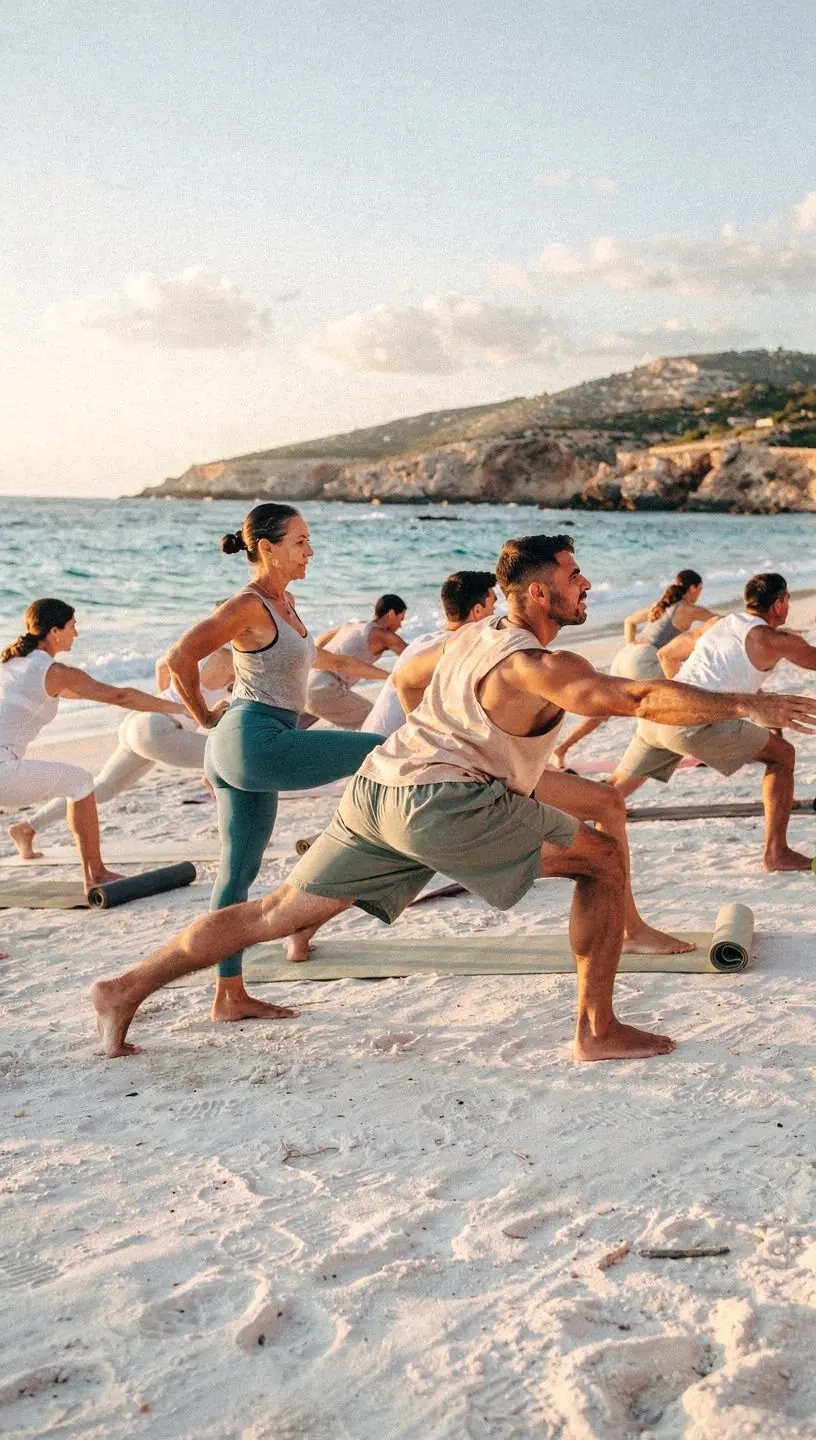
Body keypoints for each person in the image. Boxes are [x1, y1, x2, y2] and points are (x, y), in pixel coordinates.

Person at [90, 535, 816, 1062]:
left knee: (274, 912)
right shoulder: (537, 662)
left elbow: (408, 682)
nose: (587, 585)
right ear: (539, 593)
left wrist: (453, 740)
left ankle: (126, 986)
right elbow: (633, 695)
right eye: (574, 576)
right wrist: (746, 703)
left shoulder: (466, 638)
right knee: (600, 860)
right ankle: (596, 1030)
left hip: (380, 787)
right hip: (439, 804)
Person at [163, 502, 388, 1024]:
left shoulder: (286, 603)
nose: (311, 550)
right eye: (301, 541)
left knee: (238, 870)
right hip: (250, 739)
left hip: (247, 744)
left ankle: (229, 995)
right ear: (267, 548)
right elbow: (180, 656)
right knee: (380, 749)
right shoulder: (249, 605)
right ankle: (362, 854)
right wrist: (202, 716)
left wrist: (390, 678)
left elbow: (324, 661)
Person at [610, 572, 816, 872]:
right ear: (779, 605)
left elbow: (667, 655)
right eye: (787, 600)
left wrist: (685, 702)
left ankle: (544, 834)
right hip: (696, 726)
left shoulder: (717, 624)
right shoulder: (775, 639)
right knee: (783, 755)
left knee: (612, 790)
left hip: (661, 712)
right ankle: (777, 853)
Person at [1, 599, 185, 890]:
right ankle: (96, 875)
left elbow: (96, 694)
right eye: (73, 626)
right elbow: (120, 696)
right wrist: (183, 708)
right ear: (54, 631)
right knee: (81, 782)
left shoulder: (10, 663)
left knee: (76, 781)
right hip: (3, 770)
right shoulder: (54, 672)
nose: (77, 633)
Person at [9, 646, 234, 860]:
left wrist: (162, 702)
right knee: (231, 764)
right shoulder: (231, 658)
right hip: (160, 729)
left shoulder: (198, 647)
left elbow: (161, 666)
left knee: (102, 789)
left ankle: (27, 828)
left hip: (141, 722)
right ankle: (235, 837)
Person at [552, 568, 718, 771]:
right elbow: (719, 622)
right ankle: (703, 750)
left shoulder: (660, 605)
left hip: (627, 654)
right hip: (647, 658)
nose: (699, 593)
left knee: (603, 710)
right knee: (685, 698)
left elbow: (629, 621)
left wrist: (632, 644)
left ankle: (561, 750)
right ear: (693, 588)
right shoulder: (690, 608)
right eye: (699, 589)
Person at [361, 571, 497, 738]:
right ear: (477, 611)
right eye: (493, 606)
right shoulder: (459, 650)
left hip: (367, 737)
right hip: (387, 749)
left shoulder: (423, 641)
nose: (494, 614)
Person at [301, 594, 408, 730]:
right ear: (392, 613)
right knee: (376, 722)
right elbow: (412, 655)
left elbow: (318, 642)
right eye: (401, 619)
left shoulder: (351, 625)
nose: (401, 625)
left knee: (292, 728)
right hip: (326, 687)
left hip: (306, 683)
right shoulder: (383, 635)